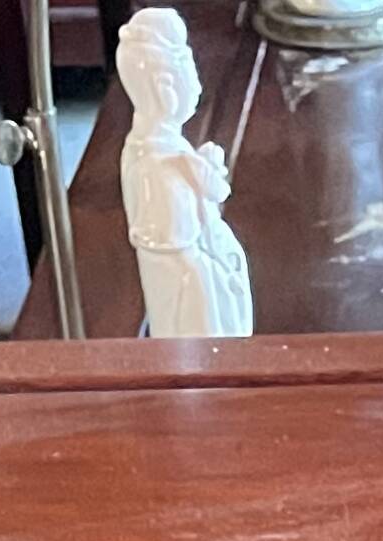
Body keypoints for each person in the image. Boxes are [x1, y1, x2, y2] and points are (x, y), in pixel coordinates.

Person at [118, 9, 254, 339]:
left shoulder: (167, 149)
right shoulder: (156, 166)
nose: (196, 86)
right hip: (191, 296)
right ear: (165, 88)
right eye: (190, 76)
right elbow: (178, 258)